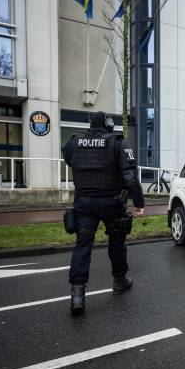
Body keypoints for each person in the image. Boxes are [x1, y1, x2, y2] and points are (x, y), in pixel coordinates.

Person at [63, 112, 144, 315]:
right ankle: (119, 282)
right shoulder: (118, 143)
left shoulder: (74, 141)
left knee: (83, 245)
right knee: (117, 243)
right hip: (112, 203)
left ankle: (78, 295)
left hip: (84, 204)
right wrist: (139, 202)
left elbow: (68, 160)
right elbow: (131, 177)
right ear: (109, 126)